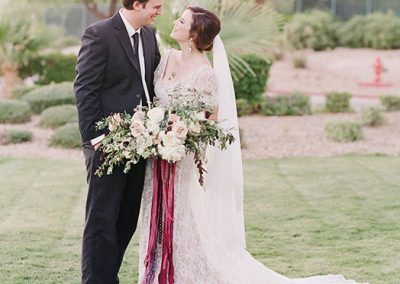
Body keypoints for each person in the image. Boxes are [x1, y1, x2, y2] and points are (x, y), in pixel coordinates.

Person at [138, 6, 364, 284]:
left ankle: (184, 274)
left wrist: (182, 139)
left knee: (180, 219)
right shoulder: (167, 58)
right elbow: (155, 103)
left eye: (182, 21)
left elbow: (210, 120)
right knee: (154, 214)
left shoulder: (204, 73)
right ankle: (154, 273)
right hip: (156, 155)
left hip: (181, 158)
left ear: (194, 35)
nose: (175, 22)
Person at [74, 0, 163, 283]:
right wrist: (96, 138)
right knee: (101, 220)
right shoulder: (98, 34)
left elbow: (149, 86)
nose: (160, 11)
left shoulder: (149, 36)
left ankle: (107, 277)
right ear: (137, 4)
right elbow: (85, 88)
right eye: (156, 5)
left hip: (141, 144)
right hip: (106, 145)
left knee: (126, 220)